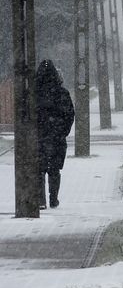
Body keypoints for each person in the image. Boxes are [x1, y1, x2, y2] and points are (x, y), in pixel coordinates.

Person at [36, 60, 75, 209]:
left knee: (39, 169)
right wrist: (63, 131)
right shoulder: (62, 92)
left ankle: (40, 201)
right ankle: (53, 199)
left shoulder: (34, 93)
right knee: (54, 170)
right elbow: (70, 114)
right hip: (56, 137)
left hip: (39, 136)